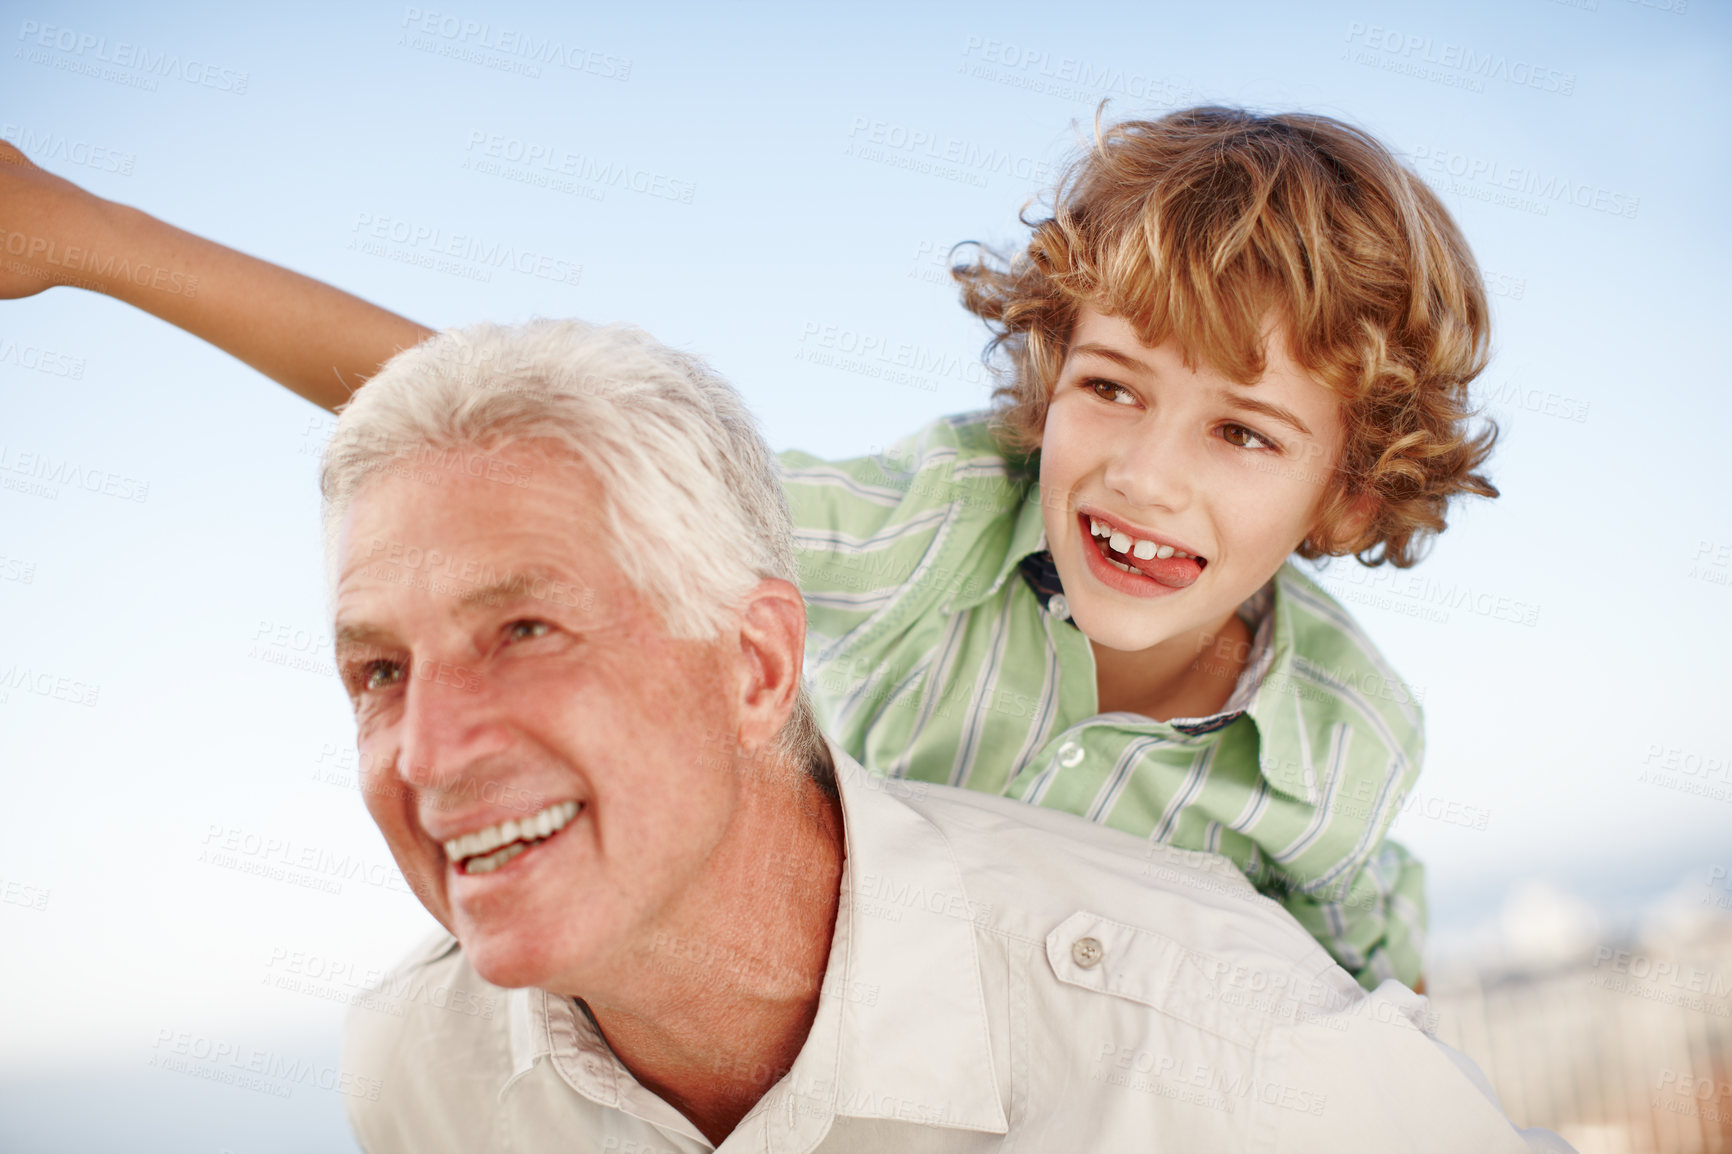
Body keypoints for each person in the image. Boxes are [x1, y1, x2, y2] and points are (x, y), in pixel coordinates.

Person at [0, 105, 1496, 990]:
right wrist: (81, 237)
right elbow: (545, 430)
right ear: (1048, 389)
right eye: (1112, 388)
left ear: (1349, 495)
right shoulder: (919, 535)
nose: (1147, 476)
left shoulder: (1350, 741)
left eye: (1241, 433)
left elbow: (1360, 938)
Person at [318, 316, 1565, 1151]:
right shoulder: (420, 1071)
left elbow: (1360, 961)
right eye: (377, 668)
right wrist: (129, 257)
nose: (1143, 475)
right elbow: (538, 458)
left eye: (528, 628)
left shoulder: (1259, 997)